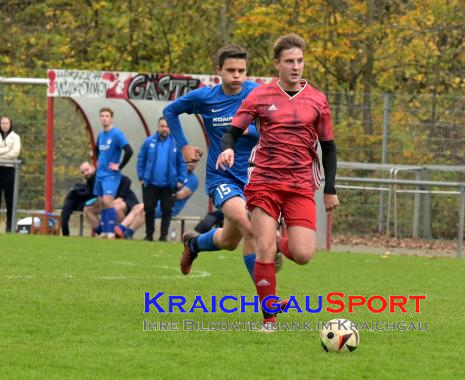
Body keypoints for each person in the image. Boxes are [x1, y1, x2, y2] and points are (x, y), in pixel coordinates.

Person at [217, 34, 339, 325]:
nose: (296, 67)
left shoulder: (317, 100)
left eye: (299, 61)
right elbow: (232, 131)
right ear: (277, 64)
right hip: (265, 182)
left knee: (303, 254)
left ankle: (275, 238)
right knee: (264, 249)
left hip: (299, 186)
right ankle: (269, 320)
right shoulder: (260, 96)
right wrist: (228, 149)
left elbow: (329, 147)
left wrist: (330, 189)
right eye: (289, 61)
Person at [163, 44, 269, 280]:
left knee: (229, 241)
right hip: (221, 177)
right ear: (218, 70)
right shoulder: (205, 97)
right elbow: (170, 111)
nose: (237, 75)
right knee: (251, 228)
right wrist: (184, 146)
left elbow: (272, 129)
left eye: (241, 70)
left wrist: (247, 130)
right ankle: (268, 304)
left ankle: (194, 245)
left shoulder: (258, 94)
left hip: (253, 179)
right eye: (231, 70)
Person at [115, 165, 199, 239]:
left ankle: (127, 233)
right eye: (189, 161)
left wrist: (162, 192)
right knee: (137, 207)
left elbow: (181, 195)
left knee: (145, 209)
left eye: (194, 162)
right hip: (158, 200)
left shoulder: (193, 179)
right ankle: (120, 229)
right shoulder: (174, 172)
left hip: (171, 205)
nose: (191, 164)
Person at [137, 117, 186, 241]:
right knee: (149, 208)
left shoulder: (175, 143)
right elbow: (141, 158)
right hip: (150, 182)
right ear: (158, 127)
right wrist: (141, 177)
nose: (164, 128)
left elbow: (181, 162)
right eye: (162, 126)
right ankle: (149, 235)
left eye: (167, 126)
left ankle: (163, 236)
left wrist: (181, 179)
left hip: (169, 184)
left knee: (167, 210)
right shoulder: (148, 142)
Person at [93, 107, 133, 239]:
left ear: (111, 118)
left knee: (108, 201)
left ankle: (110, 231)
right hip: (100, 174)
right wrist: (97, 162)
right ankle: (105, 230)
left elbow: (129, 151)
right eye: (102, 116)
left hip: (111, 175)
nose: (104, 118)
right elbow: (96, 149)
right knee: (101, 202)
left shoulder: (116, 134)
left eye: (107, 116)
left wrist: (119, 165)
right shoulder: (100, 135)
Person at [77, 161, 139, 236]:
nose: (85, 173)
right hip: (108, 203)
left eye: (87, 170)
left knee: (114, 208)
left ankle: (122, 234)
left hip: (127, 200)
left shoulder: (103, 173)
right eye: (83, 172)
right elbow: (97, 197)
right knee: (87, 209)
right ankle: (103, 232)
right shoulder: (90, 182)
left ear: (93, 167)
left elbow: (127, 180)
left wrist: (120, 196)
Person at [0, 116, 21, 232]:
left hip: (10, 171)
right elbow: (10, 152)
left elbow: (15, 153)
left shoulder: (15, 137)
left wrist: (2, 153)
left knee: (10, 200)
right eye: (3, 123)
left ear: (10, 124)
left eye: (7, 123)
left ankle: (10, 227)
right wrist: (7, 149)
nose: (5, 125)